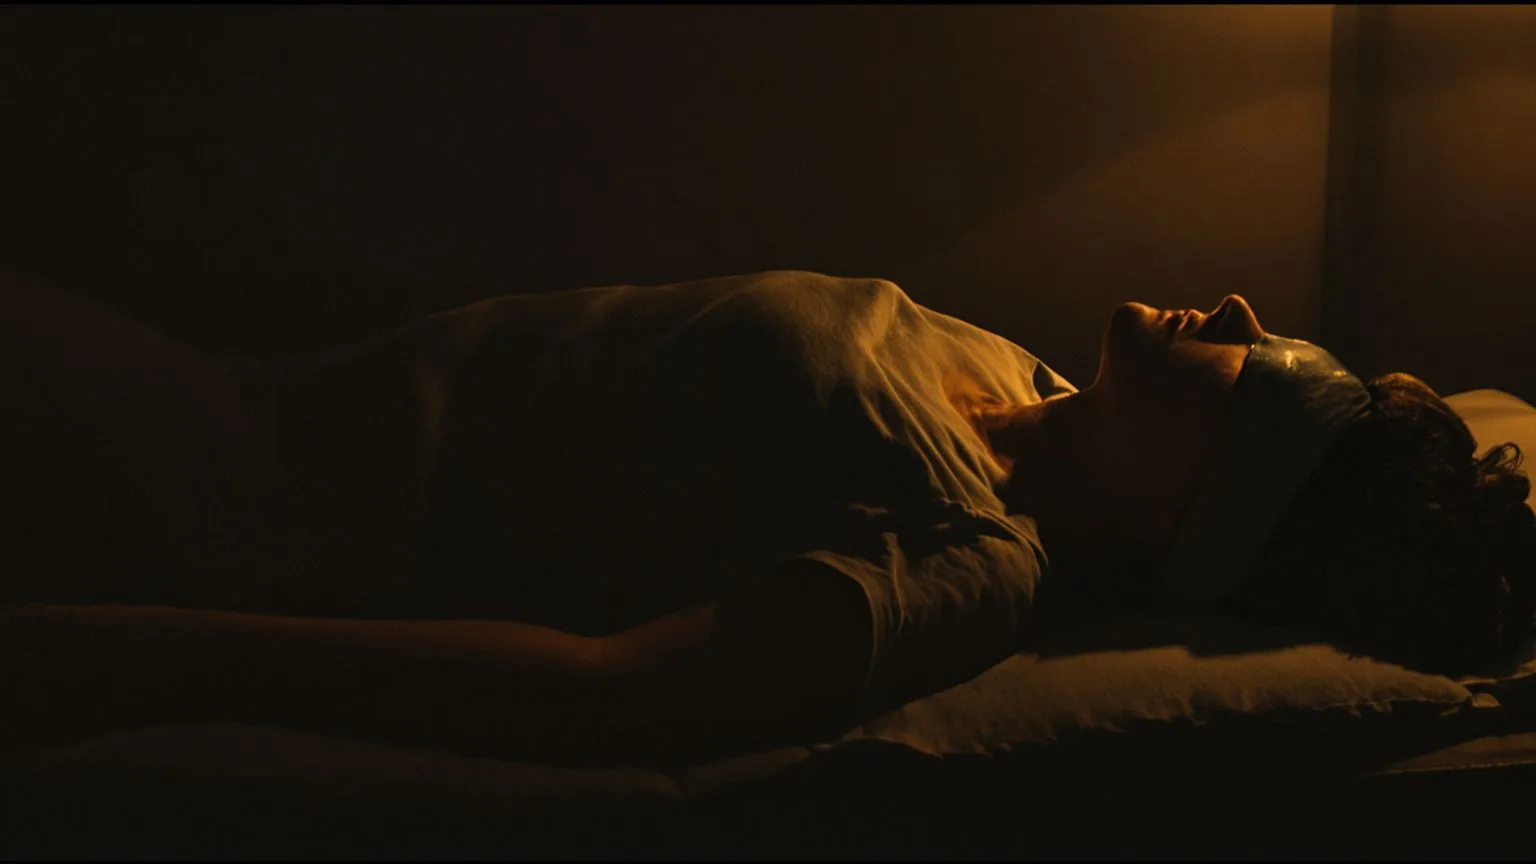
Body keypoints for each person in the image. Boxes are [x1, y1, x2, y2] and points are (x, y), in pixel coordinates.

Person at [1, 270, 1533, 767]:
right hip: (247, 404)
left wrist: (124, 655)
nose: (1248, 307)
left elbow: (610, 694)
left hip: (220, 516)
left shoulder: (967, 559)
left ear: (1219, 498)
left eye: (1272, 371)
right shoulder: (1014, 370)